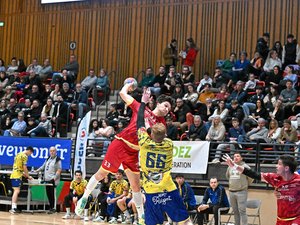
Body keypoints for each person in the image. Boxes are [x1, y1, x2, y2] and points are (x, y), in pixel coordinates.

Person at [75, 81, 173, 224]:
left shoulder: (161, 124)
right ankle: (84, 197)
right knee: (102, 173)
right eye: (165, 106)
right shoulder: (141, 107)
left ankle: (141, 216)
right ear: (158, 103)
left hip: (134, 152)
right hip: (121, 144)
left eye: (169, 109)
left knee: (136, 186)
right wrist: (129, 84)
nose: (167, 110)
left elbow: (156, 139)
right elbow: (122, 94)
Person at [136, 88, 192, 225]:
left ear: (151, 135)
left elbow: (140, 122)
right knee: (185, 220)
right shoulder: (169, 144)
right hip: (168, 187)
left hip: (150, 190)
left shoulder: (144, 142)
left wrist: (143, 103)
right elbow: (160, 134)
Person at [223, 154, 300, 225]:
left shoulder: (298, 181)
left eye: (279, 164)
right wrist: (234, 166)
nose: (276, 166)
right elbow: (253, 174)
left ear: (286, 168)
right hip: (281, 219)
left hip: (296, 219)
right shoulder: (275, 178)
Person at [225, 152, 253, 225]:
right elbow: (228, 176)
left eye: (238, 156)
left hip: (241, 192)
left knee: (242, 211)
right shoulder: (230, 166)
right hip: (231, 192)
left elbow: (251, 177)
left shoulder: (245, 166)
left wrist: (245, 184)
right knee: (235, 211)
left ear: (241, 158)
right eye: (234, 156)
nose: (236, 158)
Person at [35, 146, 62, 214]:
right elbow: (43, 167)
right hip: (46, 180)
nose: (52, 152)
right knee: (49, 194)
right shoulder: (48, 159)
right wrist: (36, 171)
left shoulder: (58, 160)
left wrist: (54, 179)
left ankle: (54, 208)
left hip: (53, 180)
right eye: (51, 151)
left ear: (56, 152)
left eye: (53, 151)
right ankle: (51, 207)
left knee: (53, 194)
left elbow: (59, 170)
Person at [9, 146, 34, 214]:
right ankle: (13, 208)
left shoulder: (18, 154)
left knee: (16, 191)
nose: (29, 155)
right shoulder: (24, 156)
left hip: (15, 174)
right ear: (29, 151)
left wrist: (25, 175)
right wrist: (28, 176)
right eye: (30, 153)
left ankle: (14, 207)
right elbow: (24, 167)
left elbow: (18, 168)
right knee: (16, 191)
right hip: (16, 175)